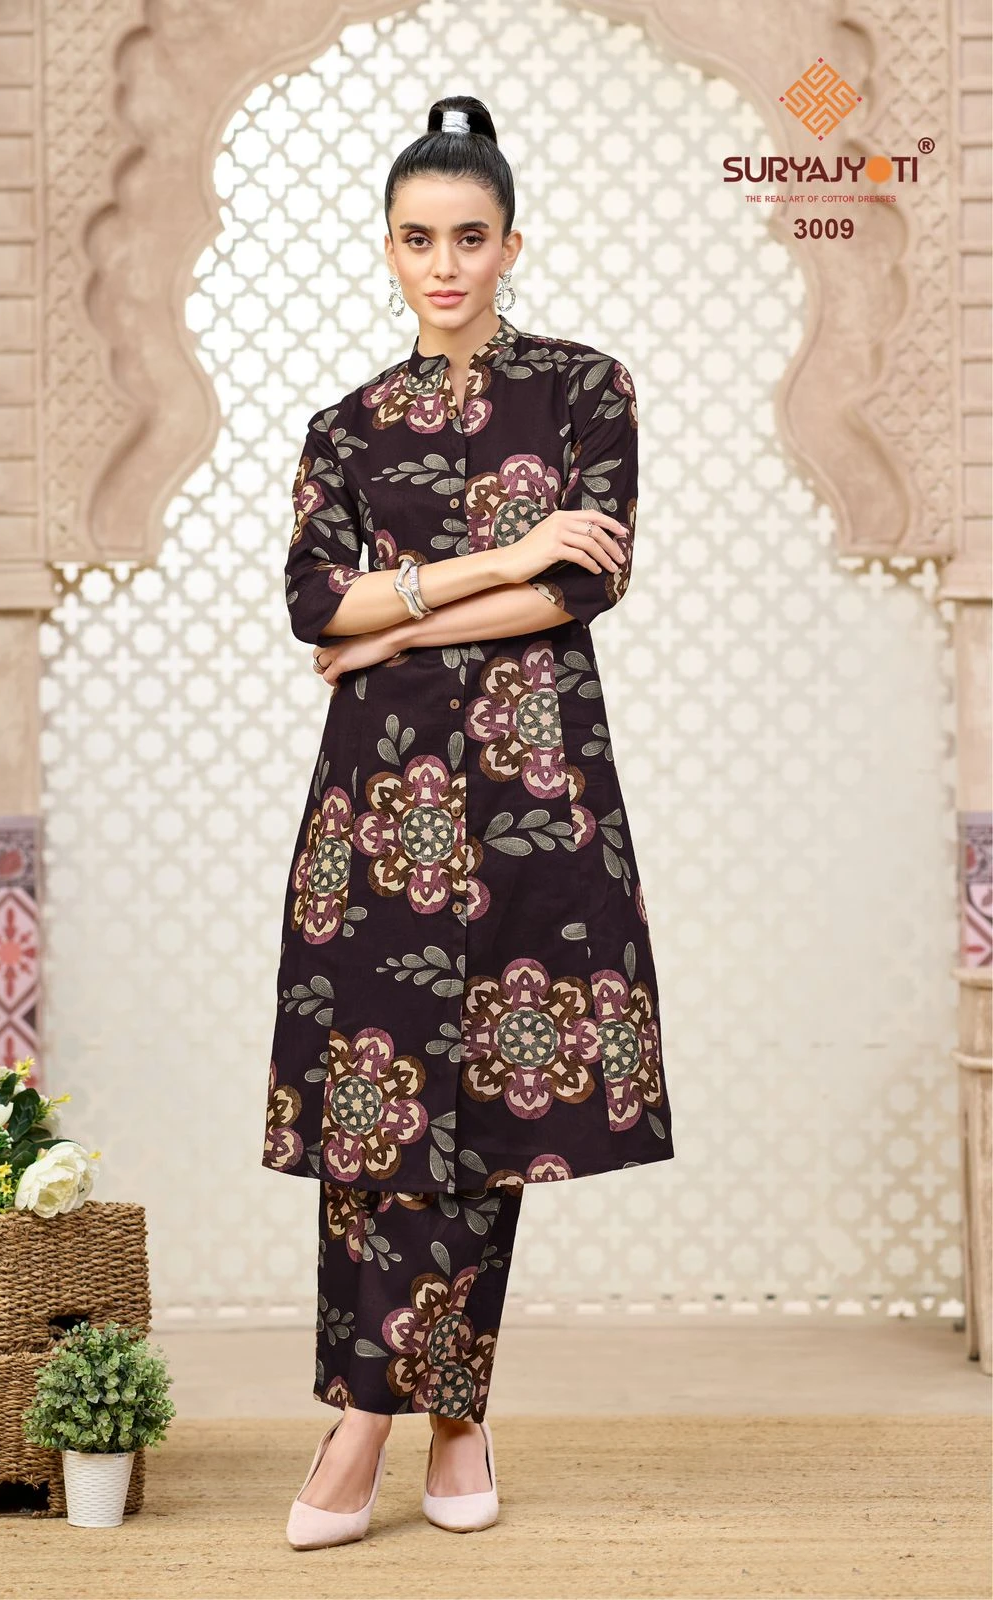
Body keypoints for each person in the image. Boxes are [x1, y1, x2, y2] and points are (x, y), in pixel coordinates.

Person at [263, 93, 674, 1550]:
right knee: (376, 1104)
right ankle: (412, 1417)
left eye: (470, 237)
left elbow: (585, 585)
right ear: (387, 248)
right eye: (417, 238)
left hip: (535, 793)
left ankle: (393, 1420)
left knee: (488, 1109)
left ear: (511, 244)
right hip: (379, 805)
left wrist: (396, 624)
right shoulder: (346, 428)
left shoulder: (585, 391)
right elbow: (314, 603)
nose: (444, 264)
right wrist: (494, 559)